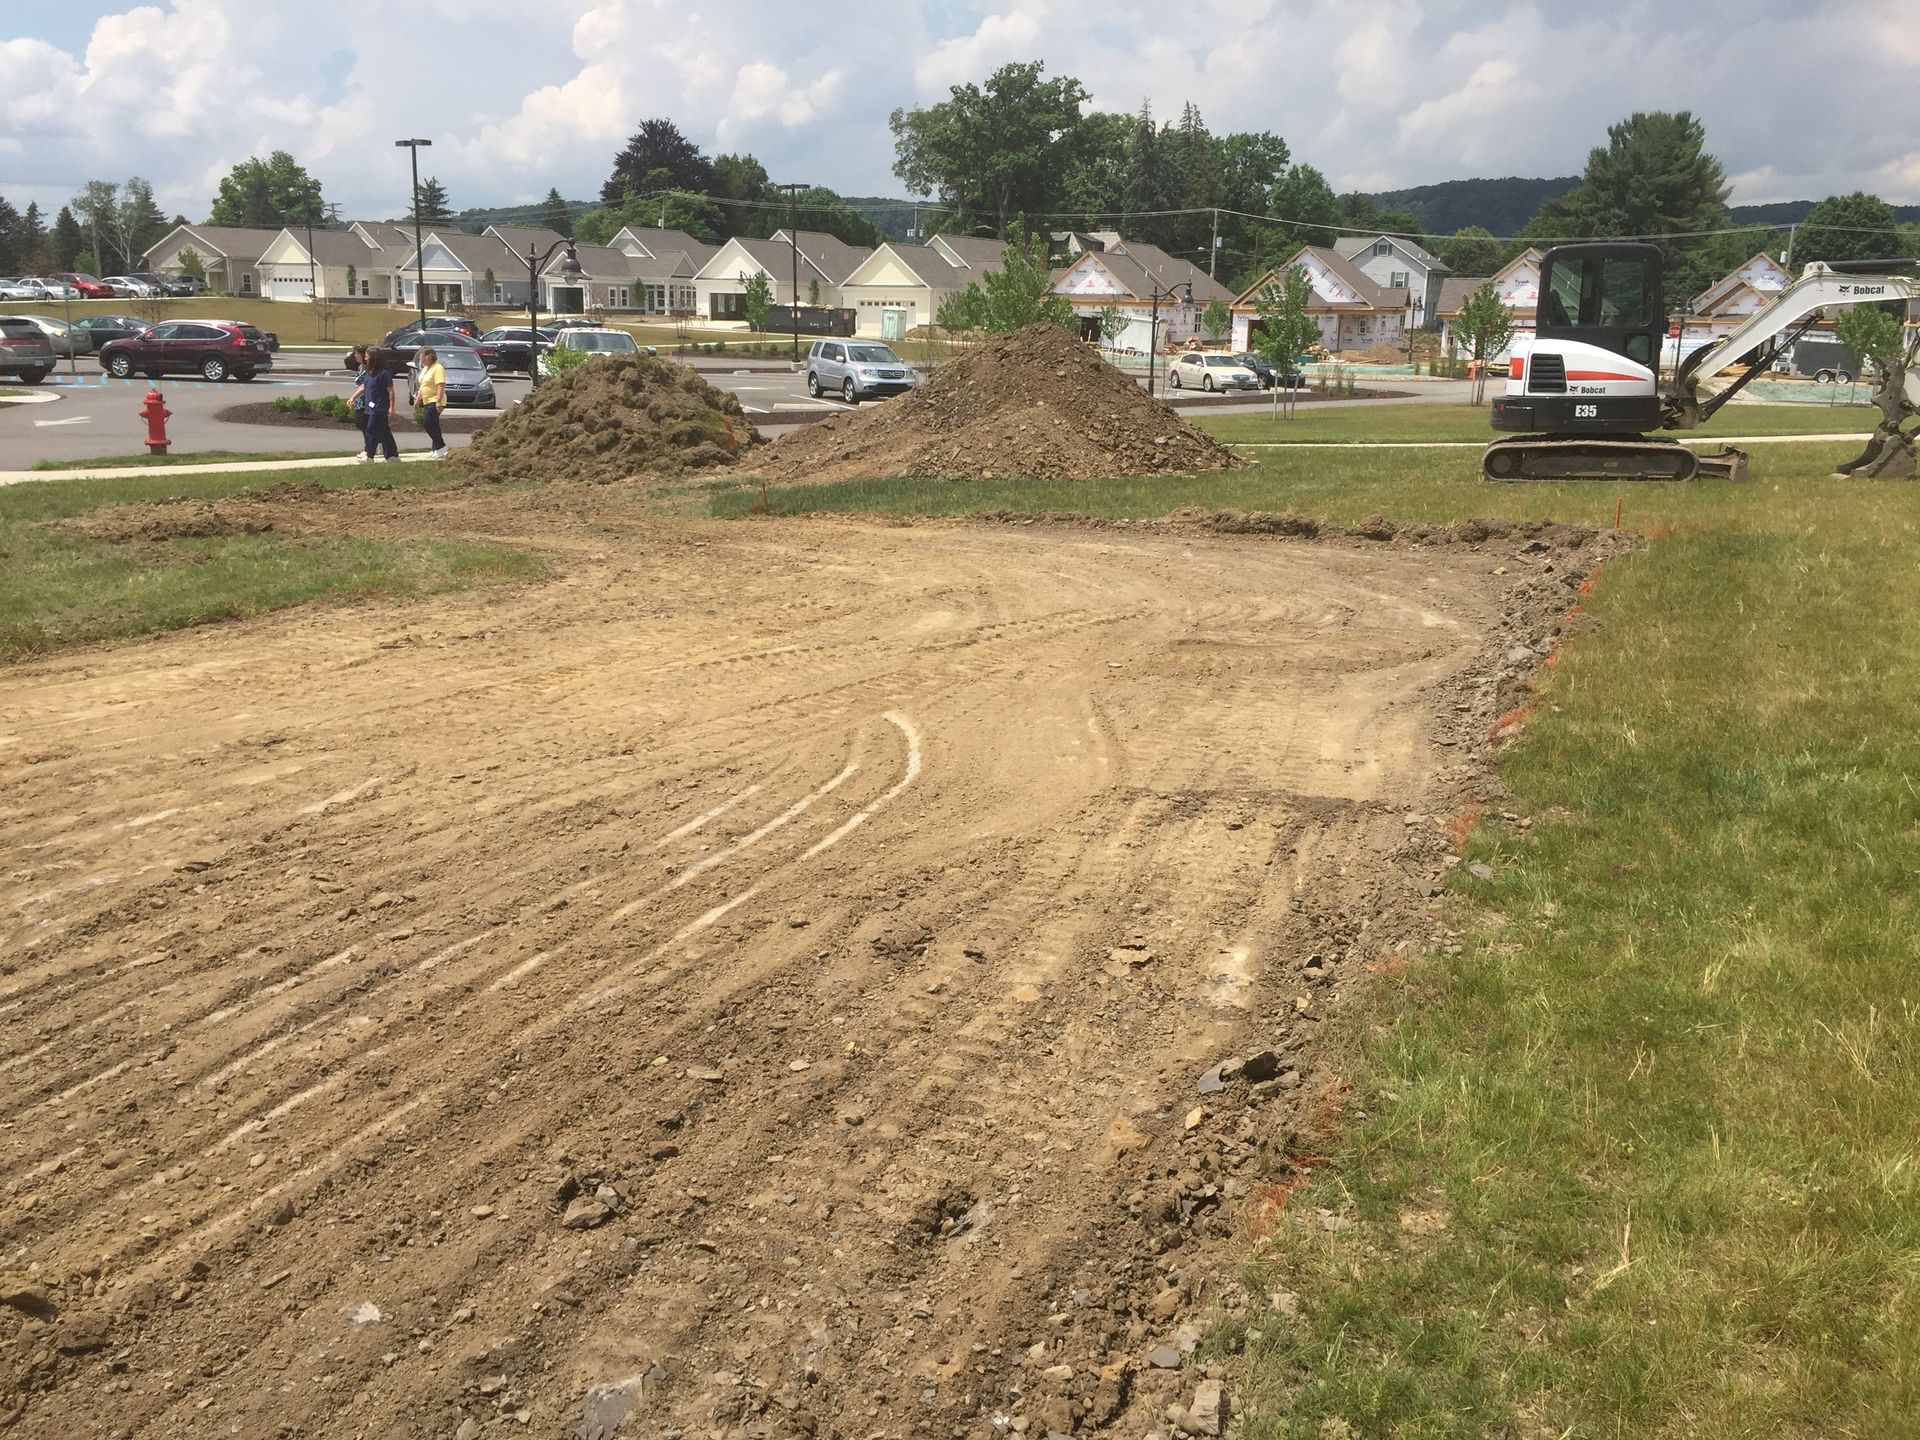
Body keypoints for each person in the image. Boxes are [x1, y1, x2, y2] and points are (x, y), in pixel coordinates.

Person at [358, 350, 399, 462]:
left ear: (374, 358)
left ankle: (369, 456)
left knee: (371, 429)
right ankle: (392, 456)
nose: (365, 359)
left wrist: (391, 407)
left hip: (379, 408)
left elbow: (390, 391)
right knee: (384, 431)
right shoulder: (369, 373)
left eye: (367, 357)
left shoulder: (384, 373)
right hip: (369, 407)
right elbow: (363, 387)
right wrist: (353, 397)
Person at [414, 345, 448, 458]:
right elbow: (423, 386)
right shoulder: (425, 369)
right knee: (433, 424)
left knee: (428, 422)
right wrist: (418, 399)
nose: (420, 359)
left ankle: (441, 446)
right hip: (427, 400)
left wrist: (438, 401)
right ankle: (436, 449)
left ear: (428, 357)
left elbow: (440, 385)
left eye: (421, 356)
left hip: (435, 400)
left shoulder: (438, 368)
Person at [346, 346, 369, 449]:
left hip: (366, 399)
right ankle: (371, 444)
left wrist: (353, 397)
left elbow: (363, 386)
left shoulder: (368, 368)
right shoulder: (360, 367)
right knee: (360, 423)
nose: (354, 356)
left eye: (357, 353)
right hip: (359, 399)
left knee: (364, 423)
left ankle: (369, 446)